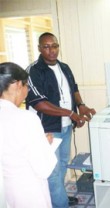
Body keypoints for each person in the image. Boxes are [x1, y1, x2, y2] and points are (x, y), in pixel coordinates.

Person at [26, 32, 96, 208]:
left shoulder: (64, 67)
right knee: (53, 171)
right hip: (47, 129)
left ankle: (59, 197)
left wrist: (81, 106)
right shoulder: (33, 71)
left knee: (63, 164)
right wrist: (71, 114)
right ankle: (60, 204)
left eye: (54, 46)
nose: (51, 50)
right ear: (39, 49)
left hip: (65, 128)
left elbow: (74, 89)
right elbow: (39, 104)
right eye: (46, 46)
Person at [0, 62, 57, 207]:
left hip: (5, 189)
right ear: (18, 84)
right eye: (27, 86)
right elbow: (44, 168)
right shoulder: (26, 118)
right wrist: (46, 144)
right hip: (28, 190)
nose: (27, 91)